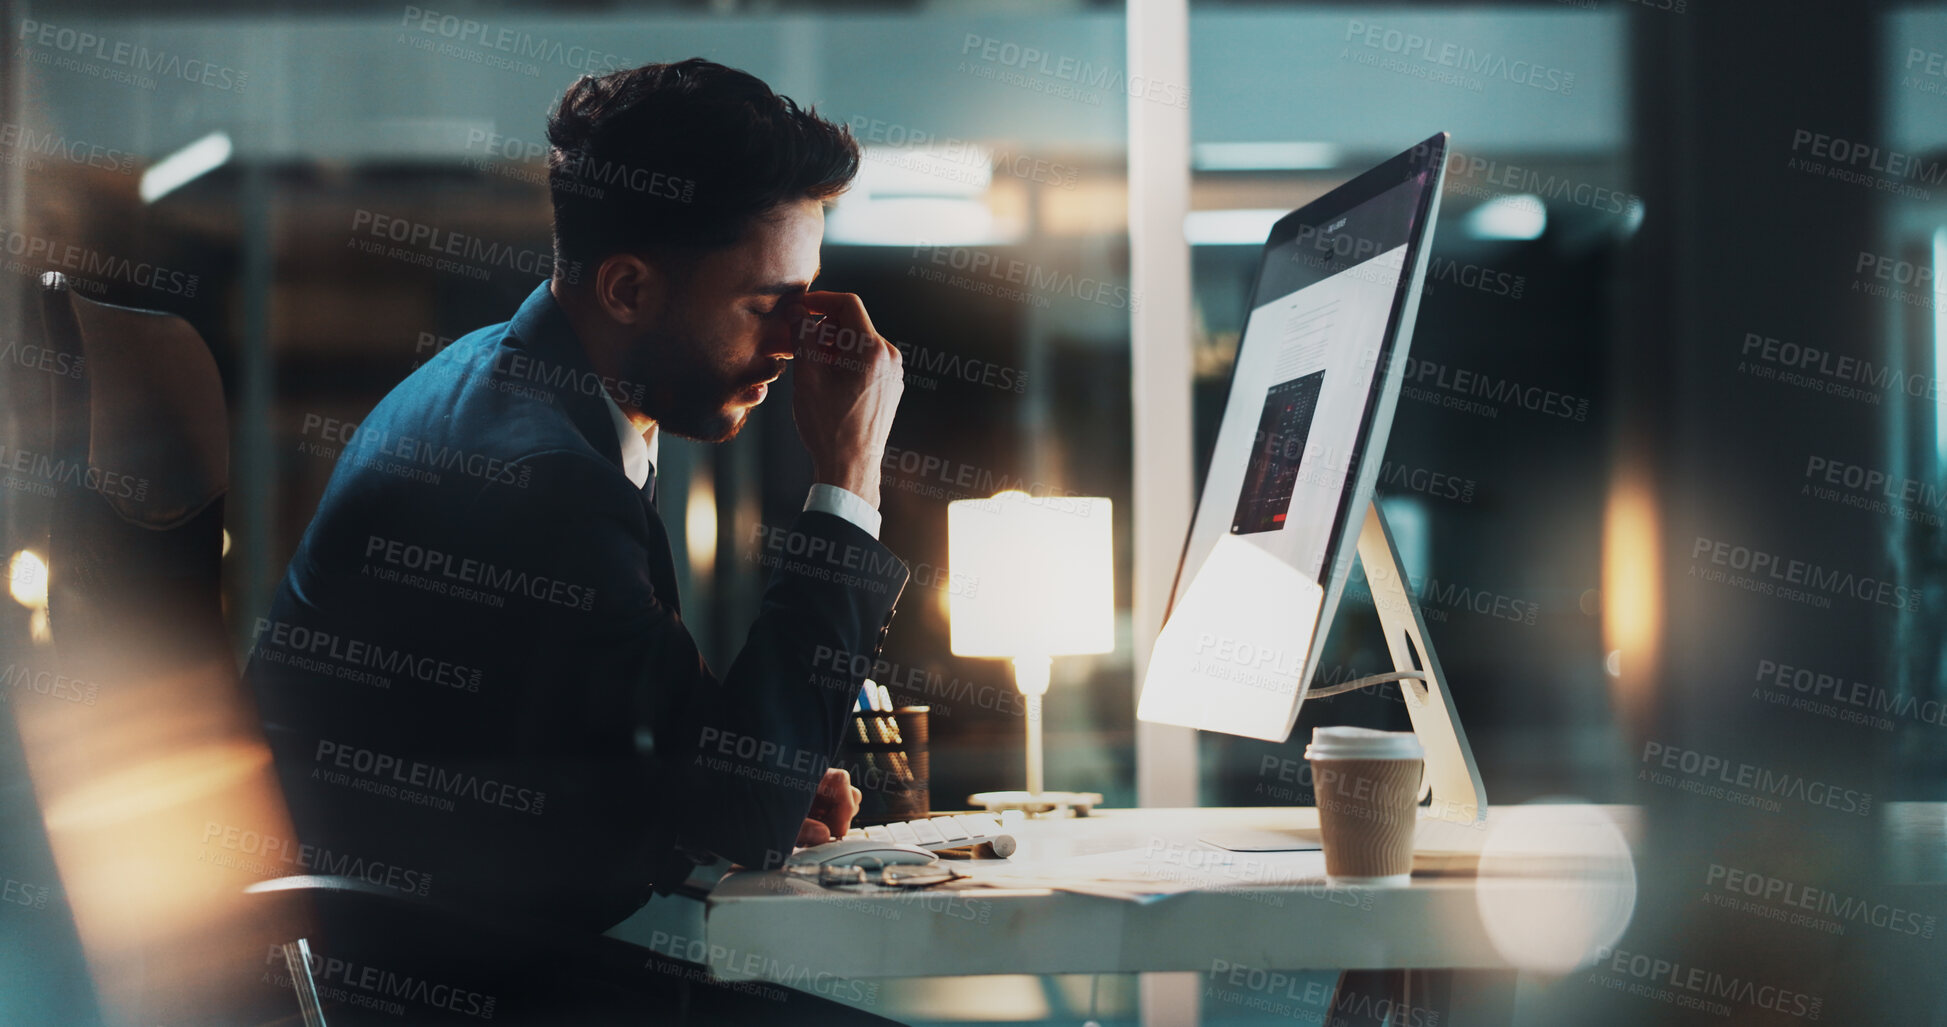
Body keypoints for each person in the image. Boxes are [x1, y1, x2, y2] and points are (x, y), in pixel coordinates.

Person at [245, 58, 910, 1023]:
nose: (791, 346)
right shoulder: (537, 478)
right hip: (467, 982)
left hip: (496, 937)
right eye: (769, 305)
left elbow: (626, 747)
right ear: (629, 288)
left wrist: (721, 780)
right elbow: (746, 811)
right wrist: (847, 480)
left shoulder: (512, 384)